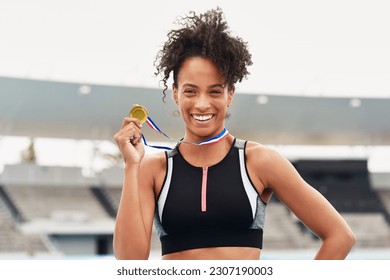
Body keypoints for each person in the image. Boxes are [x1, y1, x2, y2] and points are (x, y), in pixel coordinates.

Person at [113, 7, 355, 260]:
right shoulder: (152, 169)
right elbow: (130, 262)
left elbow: (340, 236)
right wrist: (132, 166)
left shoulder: (260, 161)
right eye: (191, 91)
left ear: (230, 94)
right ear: (175, 93)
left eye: (215, 91)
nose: (202, 104)